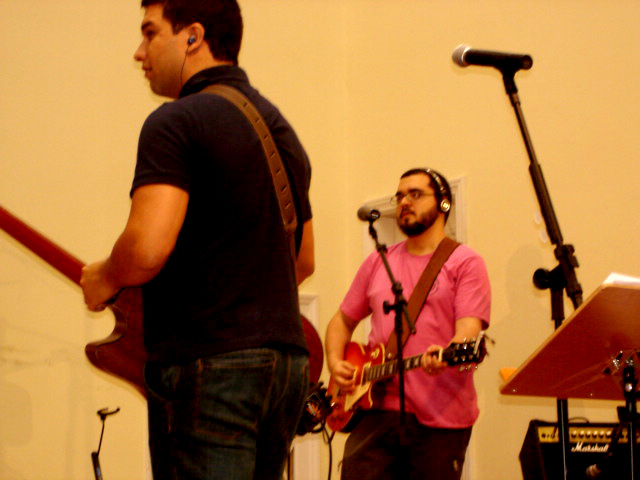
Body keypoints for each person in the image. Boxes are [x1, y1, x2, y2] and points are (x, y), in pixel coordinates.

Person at [80, 1, 314, 478]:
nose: (139, 52)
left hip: (210, 365)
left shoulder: (176, 121)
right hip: (288, 365)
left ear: (193, 36)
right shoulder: (282, 132)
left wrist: (104, 276)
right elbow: (303, 261)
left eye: (150, 33)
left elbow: (147, 248)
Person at [325, 168, 490, 480]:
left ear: (444, 204)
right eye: (399, 196)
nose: (404, 202)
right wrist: (335, 363)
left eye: (415, 194)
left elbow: (468, 330)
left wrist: (448, 354)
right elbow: (341, 321)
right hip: (376, 411)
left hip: (439, 420)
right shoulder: (378, 261)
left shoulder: (465, 262)